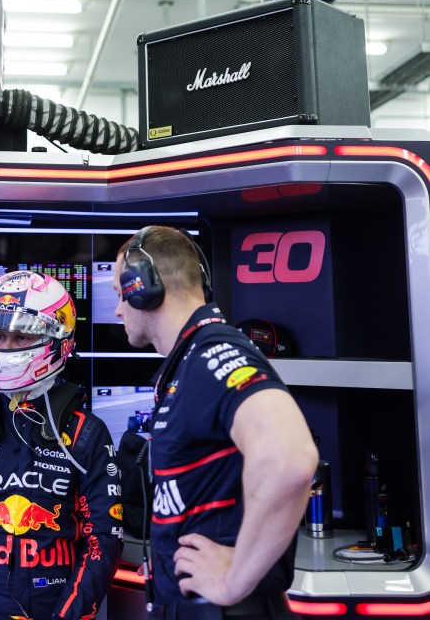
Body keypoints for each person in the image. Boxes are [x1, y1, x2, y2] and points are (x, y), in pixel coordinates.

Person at [113, 226, 318, 620]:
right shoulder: (190, 362)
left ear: (145, 288)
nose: (119, 310)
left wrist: (234, 579)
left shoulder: (214, 353)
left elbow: (290, 459)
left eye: (121, 296)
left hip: (228, 609)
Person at [0, 269, 123, 620]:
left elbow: (103, 542)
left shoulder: (86, 433)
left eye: (20, 337)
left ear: (61, 340)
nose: (6, 347)